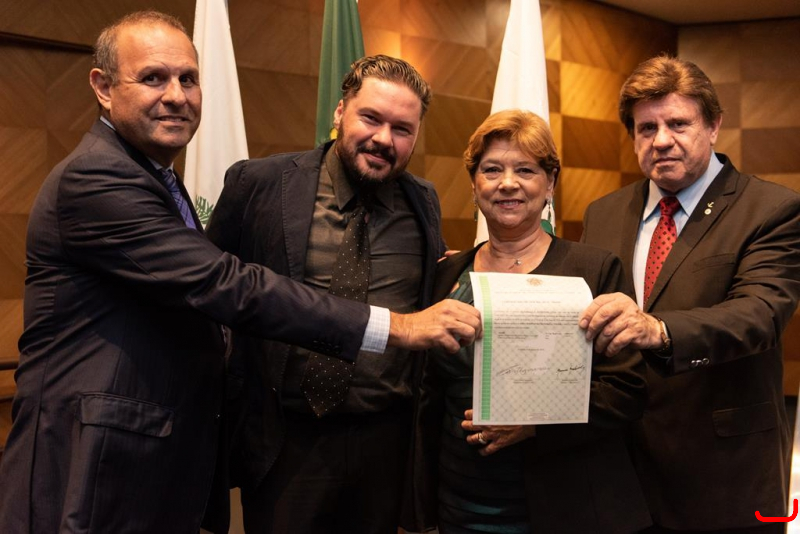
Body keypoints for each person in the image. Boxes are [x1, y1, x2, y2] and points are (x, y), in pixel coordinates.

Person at [0, 14, 480, 534]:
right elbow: (226, 284)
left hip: (337, 444)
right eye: (154, 78)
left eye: (188, 79)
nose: (176, 96)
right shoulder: (98, 177)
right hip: (100, 455)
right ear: (103, 86)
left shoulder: (157, 178)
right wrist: (396, 326)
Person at [205, 54, 461, 534]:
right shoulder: (260, 184)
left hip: (385, 443)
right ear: (340, 112)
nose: (383, 139)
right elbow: (210, 291)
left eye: (402, 129)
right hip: (286, 439)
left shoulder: (423, 199)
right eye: (371, 118)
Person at [402, 109, 651, 534]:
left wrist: (535, 424)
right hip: (458, 500)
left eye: (525, 170)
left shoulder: (593, 270)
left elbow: (626, 390)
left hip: (563, 504)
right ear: (474, 184)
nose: (507, 183)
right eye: (491, 169)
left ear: (550, 183)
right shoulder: (446, 274)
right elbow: (428, 393)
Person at [580, 55, 800, 533]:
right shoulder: (603, 213)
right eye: (646, 128)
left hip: (724, 478)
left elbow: (759, 314)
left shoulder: (771, 209)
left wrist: (658, 329)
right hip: (619, 479)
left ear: (714, 125)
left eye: (678, 123)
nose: (661, 140)